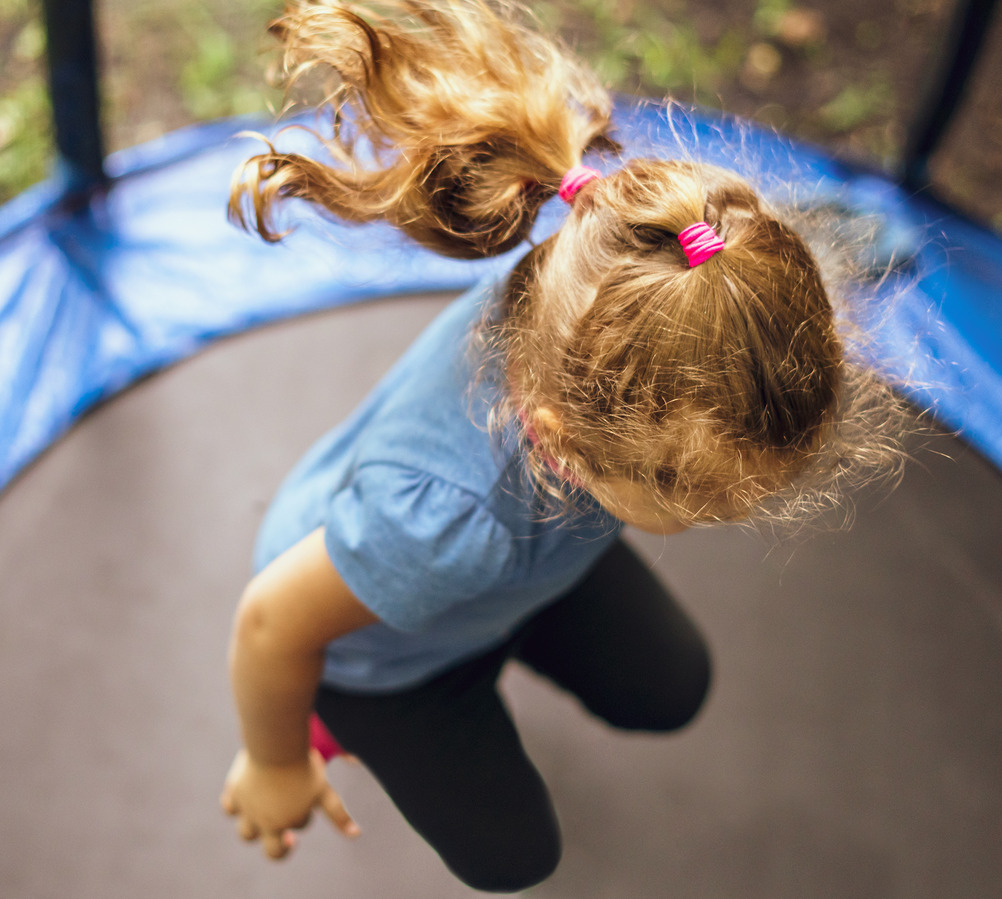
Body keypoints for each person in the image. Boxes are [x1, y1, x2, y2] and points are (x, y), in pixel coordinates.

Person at [219, 0, 902, 891]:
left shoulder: (624, 300)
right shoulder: (436, 529)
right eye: (701, 502)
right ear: (565, 446)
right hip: (384, 647)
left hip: (515, 571)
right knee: (513, 859)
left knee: (671, 687)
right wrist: (274, 763)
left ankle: (503, 628)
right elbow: (270, 623)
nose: (726, 516)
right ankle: (337, 720)